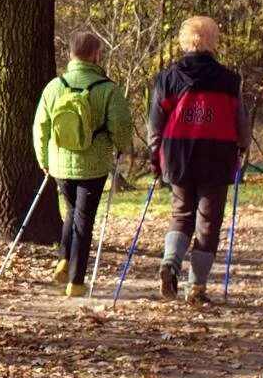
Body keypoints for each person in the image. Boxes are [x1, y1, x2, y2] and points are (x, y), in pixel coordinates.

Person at [146, 15, 249, 306]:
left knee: (181, 214)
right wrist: (242, 147)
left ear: (184, 40)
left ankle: (171, 260)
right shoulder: (229, 80)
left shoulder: (167, 79)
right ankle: (197, 288)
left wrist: (155, 155)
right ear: (213, 41)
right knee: (208, 221)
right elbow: (241, 121)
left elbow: (155, 124)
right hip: (217, 156)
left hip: (178, 155)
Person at [33, 30, 133, 297]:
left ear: (70, 54)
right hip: (94, 164)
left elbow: (40, 126)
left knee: (72, 211)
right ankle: (76, 282)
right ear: (96, 54)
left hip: (60, 164)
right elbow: (121, 125)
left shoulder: (55, 86)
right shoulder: (108, 89)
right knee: (83, 219)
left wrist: (43, 159)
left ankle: (64, 259)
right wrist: (121, 147)